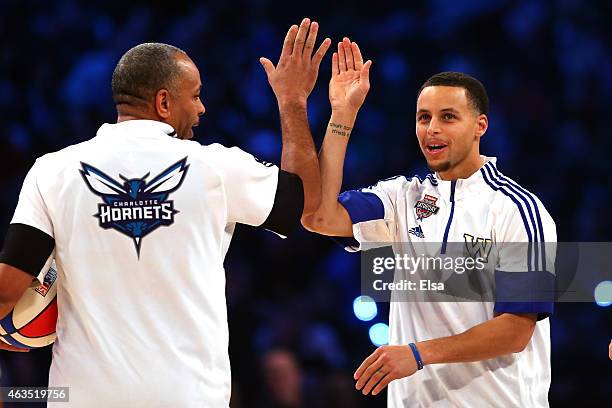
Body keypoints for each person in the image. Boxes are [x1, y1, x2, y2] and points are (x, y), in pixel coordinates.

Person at [0, 18, 330, 407]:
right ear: (163, 102)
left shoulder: (53, 170)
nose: (202, 107)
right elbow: (307, 203)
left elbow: (7, 290)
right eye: (195, 95)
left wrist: (12, 389)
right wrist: (292, 102)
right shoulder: (215, 167)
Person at [302, 38, 556, 407]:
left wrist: (418, 354)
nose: (431, 129)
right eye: (424, 118)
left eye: (448, 117)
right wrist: (342, 116)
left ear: (479, 125)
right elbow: (319, 217)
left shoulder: (517, 209)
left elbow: (516, 329)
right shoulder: (401, 200)